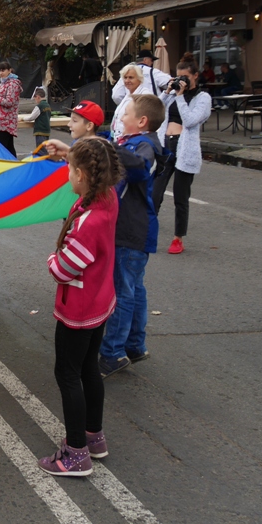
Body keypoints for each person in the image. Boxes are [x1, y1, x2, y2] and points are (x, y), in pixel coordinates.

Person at [38, 138, 122, 478]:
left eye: (70, 171)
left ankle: (75, 454)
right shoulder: (106, 197)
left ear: (83, 176)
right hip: (100, 301)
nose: (67, 176)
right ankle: (93, 435)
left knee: (67, 373)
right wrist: (69, 153)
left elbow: (63, 269)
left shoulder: (89, 224)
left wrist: (51, 258)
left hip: (78, 310)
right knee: (88, 367)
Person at [99, 95, 166, 378]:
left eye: (124, 114)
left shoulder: (146, 145)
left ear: (142, 122)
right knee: (135, 289)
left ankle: (112, 353)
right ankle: (135, 345)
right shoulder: (132, 142)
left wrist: (107, 147)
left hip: (132, 230)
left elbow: (139, 167)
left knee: (123, 291)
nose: (119, 119)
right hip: (131, 229)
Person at [153, 53, 211, 255]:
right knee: (154, 193)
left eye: (185, 78)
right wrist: (168, 91)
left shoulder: (202, 98)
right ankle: (148, 231)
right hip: (165, 146)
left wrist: (180, 97)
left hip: (185, 149)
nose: (182, 82)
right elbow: (156, 111)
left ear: (195, 76)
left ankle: (178, 238)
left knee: (180, 196)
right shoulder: (172, 94)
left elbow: (190, 120)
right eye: (179, 78)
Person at [109, 64, 151, 142]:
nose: (127, 81)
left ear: (139, 78)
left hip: (134, 140)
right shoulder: (128, 94)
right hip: (120, 139)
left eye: (131, 77)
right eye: (125, 77)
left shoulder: (145, 95)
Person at [27, 87, 52, 155]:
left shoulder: (39, 106)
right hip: (46, 130)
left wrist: (23, 118)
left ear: (38, 97)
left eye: (35, 98)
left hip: (40, 130)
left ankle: (42, 162)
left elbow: (31, 117)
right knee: (45, 148)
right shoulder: (48, 105)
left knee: (41, 149)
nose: (35, 100)